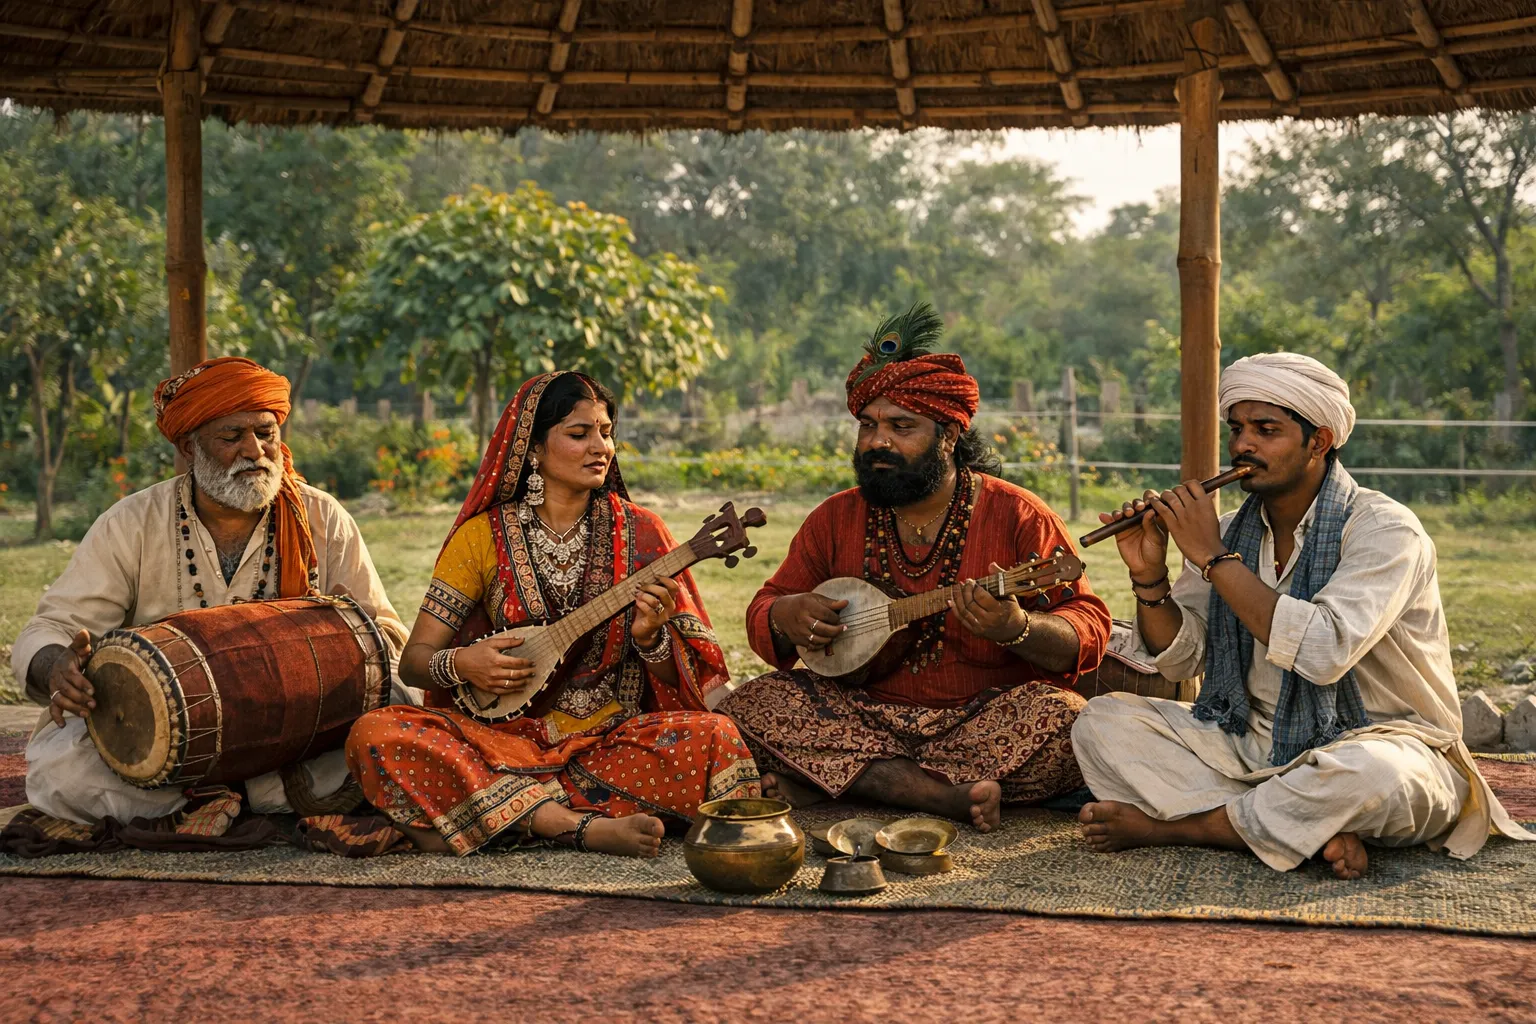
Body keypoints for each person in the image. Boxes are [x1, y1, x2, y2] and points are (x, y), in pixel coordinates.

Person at [1072, 352, 1534, 878]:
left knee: (1372, 776)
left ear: (1319, 441)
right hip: (1252, 741)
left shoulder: (1385, 531)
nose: (1242, 445)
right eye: (1237, 429)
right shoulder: (1227, 531)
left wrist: (1214, 558)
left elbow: (1321, 653)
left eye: (1266, 430)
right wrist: (1149, 575)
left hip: (1382, 740)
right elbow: (1181, 661)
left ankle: (1188, 826)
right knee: (1102, 723)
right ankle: (1301, 823)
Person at [718, 304, 1111, 831]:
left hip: (981, 724)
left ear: (948, 436)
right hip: (858, 714)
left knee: (1069, 721)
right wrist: (786, 614)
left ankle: (845, 780)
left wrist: (1016, 627)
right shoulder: (835, 517)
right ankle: (937, 795)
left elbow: (1087, 627)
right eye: (868, 425)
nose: (877, 441)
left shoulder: (1018, 514)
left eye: (901, 426)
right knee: (753, 704)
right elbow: (765, 610)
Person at [343, 371, 759, 858]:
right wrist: (463, 663)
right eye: (579, 434)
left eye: (606, 432)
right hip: (498, 743)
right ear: (533, 449)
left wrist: (651, 640)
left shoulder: (644, 532)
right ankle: (569, 824)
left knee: (716, 737)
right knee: (374, 733)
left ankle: (498, 815)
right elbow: (415, 662)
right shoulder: (482, 538)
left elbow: (683, 681)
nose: (600, 447)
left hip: (610, 744)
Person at [12, 356, 409, 828]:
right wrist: (56, 667)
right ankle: (251, 796)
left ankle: (210, 801)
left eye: (265, 433)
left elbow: (386, 635)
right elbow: (50, 629)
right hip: (171, 739)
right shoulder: (132, 523)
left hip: (294, 732)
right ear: (189, 446)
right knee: (62, 773)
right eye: (232, 436)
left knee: (400, 720)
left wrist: (344, 631)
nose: (255, 451)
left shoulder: (321, 517)